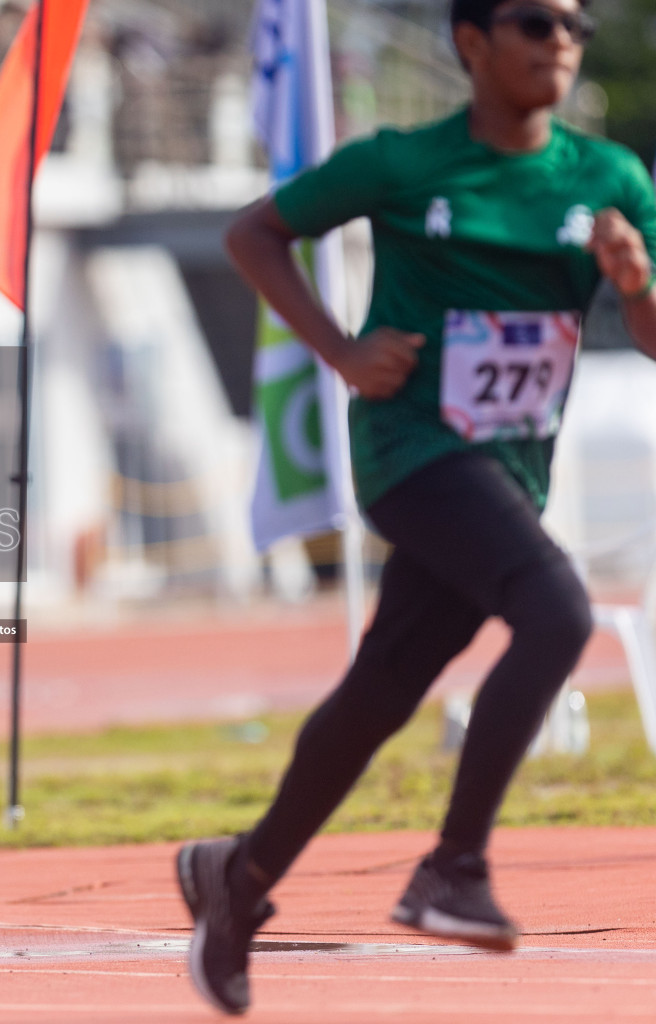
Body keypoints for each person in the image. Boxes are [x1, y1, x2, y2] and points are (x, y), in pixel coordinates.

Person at [177, 0, 656, 1014]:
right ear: (472, 42)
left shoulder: (610, 179)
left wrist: (635, 281)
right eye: (536, 20)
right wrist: (342, 348)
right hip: (412, 449)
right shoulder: (400, 162)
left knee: (384, 687)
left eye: (577, 24)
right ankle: (454, 865)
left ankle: (242, 877)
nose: (561, 40)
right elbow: (255, 233)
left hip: (509, 467)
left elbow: (654, 335)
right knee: (559, 612)